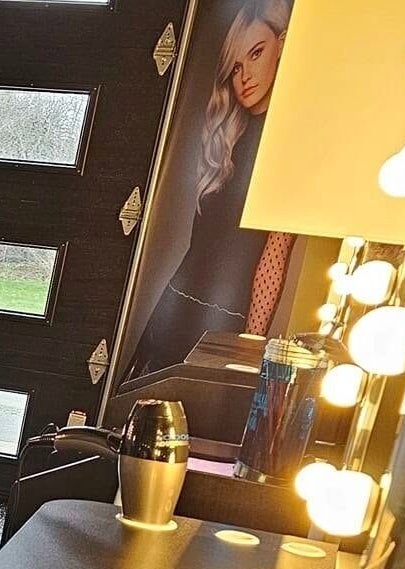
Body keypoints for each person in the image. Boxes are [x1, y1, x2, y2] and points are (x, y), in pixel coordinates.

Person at [124, 0, 295, 381]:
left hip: (227, 314)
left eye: (256, 54)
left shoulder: (287, 144)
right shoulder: (227, 137)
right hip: (175, 301)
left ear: (281, 44)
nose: (245, 76)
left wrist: (252, 339)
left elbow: (274, 253)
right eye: (235, 67)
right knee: (138, 409)